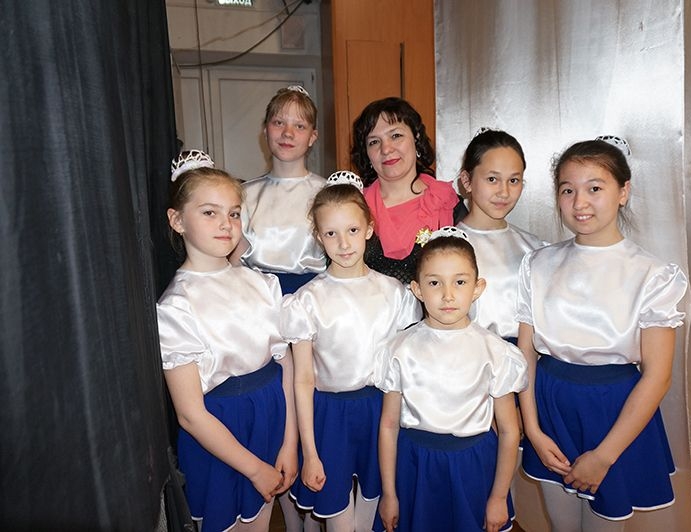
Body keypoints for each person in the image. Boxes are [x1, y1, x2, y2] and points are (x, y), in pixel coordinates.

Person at [515, 138, 689, 530]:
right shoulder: (538, 264)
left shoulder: (653, 275)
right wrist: (534, 430)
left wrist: (605, 455)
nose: (580, 202)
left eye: (594, 188)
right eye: (567, 190)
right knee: (561, 523)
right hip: (549, 407)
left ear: (623, 192)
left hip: (615, 415)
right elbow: (525, 354)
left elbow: (658, 376)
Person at [157, 150, 298, 531]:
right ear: (177, 220)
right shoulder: (177, 306)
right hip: (219, 438)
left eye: (234, 213)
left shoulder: (263, 284)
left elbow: (284, 367)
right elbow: (190, 414)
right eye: (209, 212)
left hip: (270, 422)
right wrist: (254, 469)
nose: (226, 224)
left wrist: (289, 442)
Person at [280, 172, 422, 532]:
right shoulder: (308, 300)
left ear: (369, 228)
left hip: (382, 412)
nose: (343, 243)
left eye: (353, 230)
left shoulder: (394, 293)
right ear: (318, 236)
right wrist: (310, 451)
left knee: (372, 513)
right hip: (330, 417)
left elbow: (406, 364)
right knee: (339, 519)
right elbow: (303, 379)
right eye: (331, 233)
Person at [375, 227, 528, 532]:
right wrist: (390, 493)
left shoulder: (495, 351)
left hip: (474, 466)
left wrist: (499, 496)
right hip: (416, 466)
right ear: (417, 289)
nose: (447, 295)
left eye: (460, 282)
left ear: (477, 287)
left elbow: (509, 431)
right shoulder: (399, 349)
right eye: (435, 283)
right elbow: (389, 426)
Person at [350, 96, 465, 284]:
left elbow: (466, 275)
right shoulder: (352, 208)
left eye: (396, 136)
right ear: (367, 154)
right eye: (374, 142)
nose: (386, 149)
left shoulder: (448, 203)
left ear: (416, 138)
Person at [232, 84, 327, 295]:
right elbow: (233, 262)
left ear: (312, 136)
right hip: (255, 298)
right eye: (279, 123)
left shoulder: (328, 194)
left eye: (299, 126)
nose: (287, 133)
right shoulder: (242, 195)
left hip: (314, 300)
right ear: (266, 130)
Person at [456, 127, 546, 343]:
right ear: (467, 181)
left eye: (513, 181)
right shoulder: (447, 246)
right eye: (492, 179)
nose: (504, 192)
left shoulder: (535, 248)